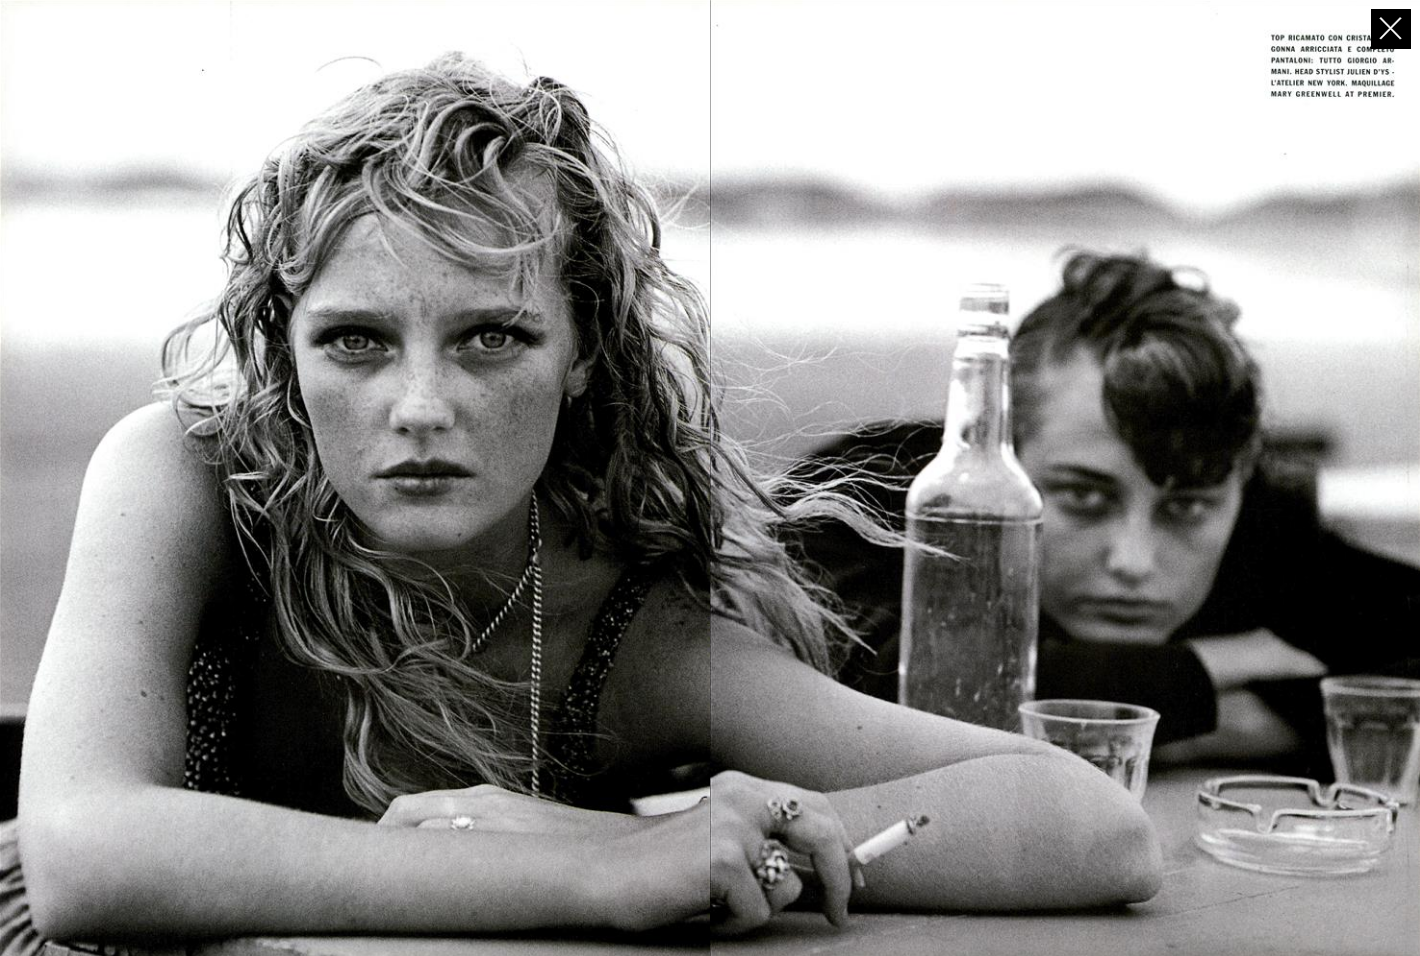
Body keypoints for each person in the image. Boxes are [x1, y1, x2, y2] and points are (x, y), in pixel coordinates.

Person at [2, 57, 1160, 953]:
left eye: (491, 337)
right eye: (354, 340)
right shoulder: (190, 477)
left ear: (582, 354)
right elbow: (82, 854)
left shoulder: (622, 636)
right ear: (284, 349)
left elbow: (1090, 824)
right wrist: (605, 866)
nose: (420, 406)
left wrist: (647, 838)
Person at [797, 251, 1420, 774]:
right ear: (1007, 441)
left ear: (1239, 487)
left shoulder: (1265, 527)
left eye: (1187, 508)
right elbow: (844, 679)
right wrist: (1210, 678)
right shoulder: (883, 490)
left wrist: (1114, 716)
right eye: (1084, 497)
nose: (1133, 562)